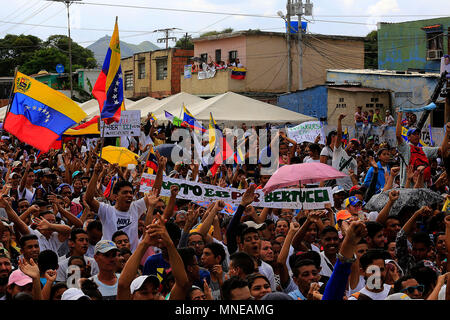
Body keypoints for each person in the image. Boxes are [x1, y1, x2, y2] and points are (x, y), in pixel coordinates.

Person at [395, 111, 450, 187]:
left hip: (422, 188)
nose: (417, 136)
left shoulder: (424, 150)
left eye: (418, 134)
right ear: (408, 137)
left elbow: (442, 150)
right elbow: (398, 136)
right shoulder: (406, 148)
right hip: (406, 187)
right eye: (414, 134)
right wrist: (399, 116)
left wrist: (447, 133)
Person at [333, 114, 359, 190]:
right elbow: (339, 135)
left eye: (356, 145)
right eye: (352, 143)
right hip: (337, 189)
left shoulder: (354, 162)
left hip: (349, 189)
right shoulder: (338, 151)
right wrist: (339, 120)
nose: (353, 146)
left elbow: (355, 177)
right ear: (348, 143)